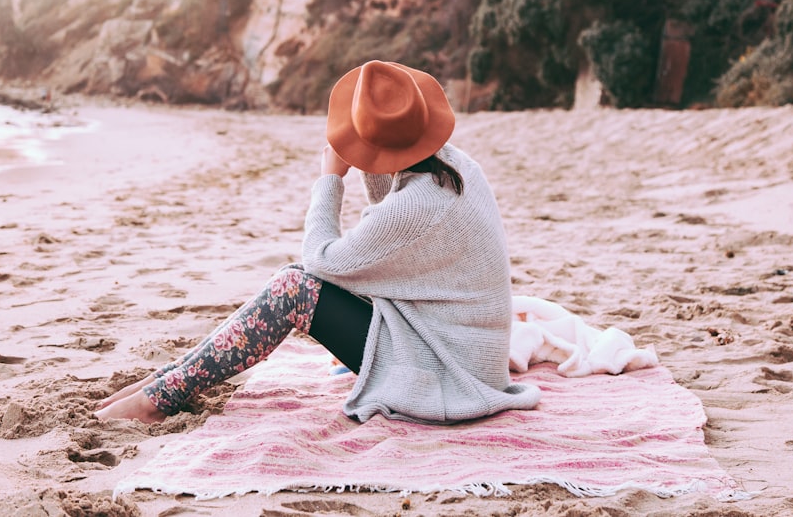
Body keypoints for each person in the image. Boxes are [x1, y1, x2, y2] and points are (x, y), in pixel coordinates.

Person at [94, 60, 541, 424]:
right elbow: (384, 244)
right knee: (295, 282)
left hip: (446, 369)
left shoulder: (417, 206)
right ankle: (171, 380)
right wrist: (371, 158)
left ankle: (162, 397)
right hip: (460, 347)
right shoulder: (455, 165)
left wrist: (330, 179)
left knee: (294, 289)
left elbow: (320, 260)